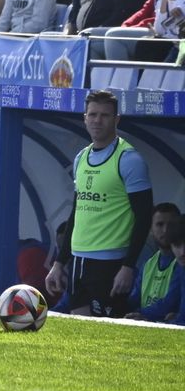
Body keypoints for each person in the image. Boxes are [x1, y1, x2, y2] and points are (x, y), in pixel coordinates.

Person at [45, 90, 154, 316]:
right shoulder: (81, 158)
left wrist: (128, 266)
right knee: (81, 332)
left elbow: (144, 217)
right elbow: (76, 212)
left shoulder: (129, 160)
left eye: (105, 115)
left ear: (117, 120)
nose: (97, 120)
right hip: (79, 259)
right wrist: (59, 263)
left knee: (106, 332)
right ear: (84, 118)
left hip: (110, 263)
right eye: (92, 114)